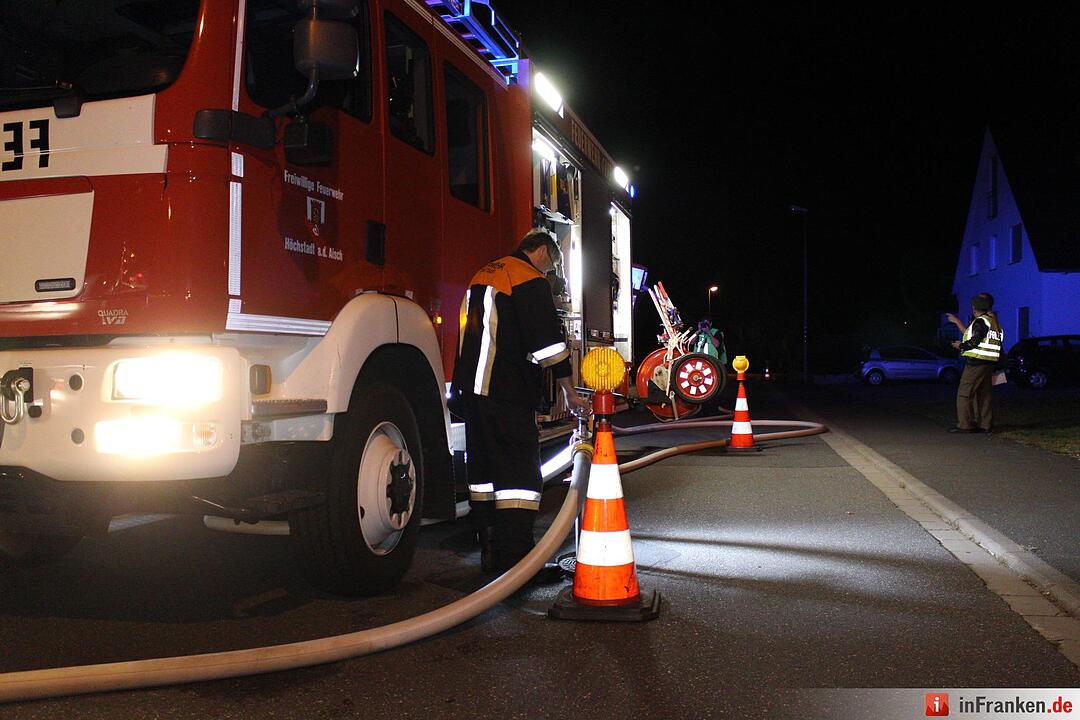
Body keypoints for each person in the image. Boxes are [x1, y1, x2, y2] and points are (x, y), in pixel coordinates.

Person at [450, 229, 590, 580]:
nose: (549, 274)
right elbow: (549, 347)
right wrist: (571, 393)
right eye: (551, 266)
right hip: (506, 393)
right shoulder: (529, 279)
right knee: (519, 477)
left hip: (473, 393)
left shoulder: (484, 273)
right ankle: (518, 563)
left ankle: (489, 549)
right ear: (541, 251)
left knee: (483, 473)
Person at [946, 293, 1004, 433]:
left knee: (964, 394)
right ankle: (985, 425)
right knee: (984, 394)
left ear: (974, 308)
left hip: (976, 363)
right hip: (989, 363)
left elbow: (974, 341)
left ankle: (965, 425)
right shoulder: (993, 322)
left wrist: (960, 345)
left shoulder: (981, 322)